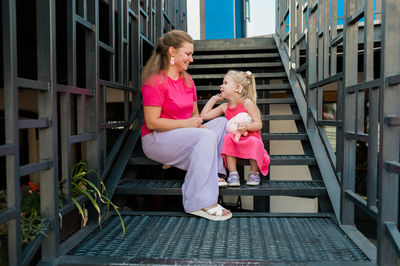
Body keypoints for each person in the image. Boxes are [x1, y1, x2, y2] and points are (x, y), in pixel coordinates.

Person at [140, 30, 232, 221]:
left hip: (182, 136)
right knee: (205, 136)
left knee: (221, 123)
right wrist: (190, 126)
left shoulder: (188, 81)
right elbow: (152, 122)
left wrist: (197, 125)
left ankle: (212, 172)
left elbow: (195, 115)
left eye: (192, 54)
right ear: (172, 52)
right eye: (188, 54)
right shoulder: (155, 82)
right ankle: (200, 203)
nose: (191, 59)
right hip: (156, 139)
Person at [200, 70, 270, 186]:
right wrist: (212, 100)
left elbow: (259, 124)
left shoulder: (247, 103)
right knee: (227, 138)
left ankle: (254, 173)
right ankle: (233, 174)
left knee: (254, 141)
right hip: (235, 138)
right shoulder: (224, 107)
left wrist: (248, 126)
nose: (221, 86)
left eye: (225, 83)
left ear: (237, 88)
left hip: (250, 136)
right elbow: (203, 116)